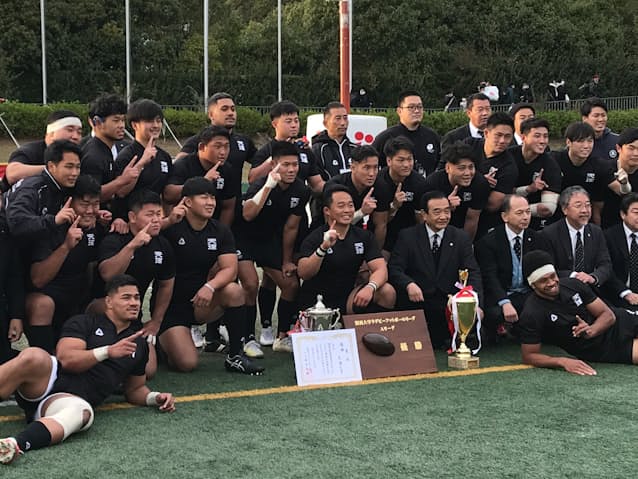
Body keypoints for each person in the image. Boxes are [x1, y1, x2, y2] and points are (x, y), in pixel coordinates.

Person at [0, 275, 175, 466]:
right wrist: (107, 351)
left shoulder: (139, 344)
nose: (134, 303)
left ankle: (13, 444)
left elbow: (135, 389)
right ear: (109, 302)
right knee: (33, 356)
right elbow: (66, 359)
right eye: (126, 297)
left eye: (137, 297)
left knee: (82, 412)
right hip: (47, 381)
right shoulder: (84, 322)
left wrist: (155, 397)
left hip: (68, 400)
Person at [161, 177, 264, 374]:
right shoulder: (172, 227)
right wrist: (167, 221)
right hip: (171, 308)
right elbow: (146, 233)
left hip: (201, 302)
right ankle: (162, 343)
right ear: (187, 202)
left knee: (234, 290)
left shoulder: (220, 230)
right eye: (204, 197)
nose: (210, 203)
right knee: (187, 364)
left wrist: (210, 286)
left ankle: (235, 356)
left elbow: (230, 269)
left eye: (213, 198)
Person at [246, 101, 324, 346]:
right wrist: (270, 177)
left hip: (287, 235)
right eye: (288, 120)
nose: (293, 124)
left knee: (277, 279)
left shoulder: (302, 171)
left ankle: (280, 332)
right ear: (275, 123)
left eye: (296, 120)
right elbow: (251, 185)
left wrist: (345, 194)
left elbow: (293, 224)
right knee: (279, 283)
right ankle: (266, 331)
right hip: (259, 235)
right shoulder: (267, 154)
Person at [238, 141, 311, 353]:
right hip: (243, 238)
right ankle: (248, 338)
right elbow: (248, 215)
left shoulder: (301, 190)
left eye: (295, 165)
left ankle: (282, 336)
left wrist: (286, 260)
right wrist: (268, 186)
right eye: (285, 165)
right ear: (274, 165)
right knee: (251, 283)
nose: (291, 169)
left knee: (290, 285)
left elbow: (291, 228)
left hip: (270, 240)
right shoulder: (260, 183)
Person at [95, 190, 176, 378]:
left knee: (149, 370)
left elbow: (166, 285)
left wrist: (155, 322)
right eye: (150, 214)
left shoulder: (163, 245)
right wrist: (133, 245)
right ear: (132, 217)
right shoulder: (115, 238)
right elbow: (107, 274)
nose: (156, 220)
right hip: (99, 309)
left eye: (159, 214)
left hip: (131, 316)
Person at [518, 250, 638, 375]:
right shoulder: (531, 313)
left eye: (553, 276)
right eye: (543, 280)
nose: (551, 283)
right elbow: (529, 356)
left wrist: (591, 330)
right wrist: (562, 361)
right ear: (533, 285)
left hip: (621, 322)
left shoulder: (573, 284)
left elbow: (608, 315)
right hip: (601, 348)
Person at [388, 191, 482, 348]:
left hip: (448, 301)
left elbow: (472, 272)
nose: (443, 216)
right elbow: (394, 268)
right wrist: (409, 284)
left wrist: (475, 302)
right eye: (437, 212)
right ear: (424, 215)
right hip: (418, 301)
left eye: (447, 211)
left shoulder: (460, 237)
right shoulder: (408, 236)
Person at [26, 175, 105, 353]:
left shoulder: (97, 227)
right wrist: (66, 247)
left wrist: (117, 222)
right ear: (68, 203)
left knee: (111, 303)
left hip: (79, 302)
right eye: (84, 204)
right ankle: (47, 361)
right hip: (48, 301)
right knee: (42, 304)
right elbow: (38, 280)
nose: (90, 210)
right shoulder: (51, 227)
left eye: (96, 204)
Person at [297, 185, 395, 314]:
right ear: (327, 210)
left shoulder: (364, 236)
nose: (347, 210)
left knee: (387, 291)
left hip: (350, 296)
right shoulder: (315, 237)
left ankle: (371, 327)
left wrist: (370, 287)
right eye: (341, 206)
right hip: (318, 301)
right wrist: (323, 248)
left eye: (350, 205)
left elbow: (380, 268)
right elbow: (304, 273)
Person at [475, 195, 539, 339]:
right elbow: (489, 277)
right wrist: (504, 302)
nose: (525, 217)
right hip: (501, 294)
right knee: (495, 313)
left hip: (527, 293)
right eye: (519, 213)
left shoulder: (536, 238)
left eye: (528, 212)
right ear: (505, 216)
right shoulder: (488, 242)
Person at [1, 140, 81, 248]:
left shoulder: (63, 186)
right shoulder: (32, 188)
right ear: (51, 166)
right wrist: (54, 220)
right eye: (69, 167)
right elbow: (18, 223)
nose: (75, 173)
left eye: (78, 167)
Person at [538, 186, 612, 292]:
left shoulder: (596, 232)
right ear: (564, 209)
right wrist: (574, 276)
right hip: (561, 289)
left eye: (588, 205)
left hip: (590, 289)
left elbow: (605, 264)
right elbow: (548, 268)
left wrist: (593, 277)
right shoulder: (549, 234)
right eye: (578, 206)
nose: (584, 210)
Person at [111, 99, 173, 219]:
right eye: (150, 121)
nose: (156, 125)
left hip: (154, 221)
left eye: (158, 121)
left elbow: (165, 196)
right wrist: (142, 162)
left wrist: (168, 219)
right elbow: (121, 192)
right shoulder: (127, 155)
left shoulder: (164, 156)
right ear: (135, 125)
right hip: (128, 221)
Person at [164, 126, 236, 225]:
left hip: (211, 226)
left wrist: (223, 231)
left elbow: (228, 207)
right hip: (182, 223)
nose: (223, 152)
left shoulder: (227, 169)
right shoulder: (184, 165)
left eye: (226, 146)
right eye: (217, 146)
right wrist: (203, 181)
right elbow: (168, 195)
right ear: (202, 147)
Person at [324, 145, 391, 247]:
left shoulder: (381, 187)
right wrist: (362, 212)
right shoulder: (335, 187)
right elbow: (334, 225)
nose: (372, 173)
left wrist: (375, 253)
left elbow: (381, 225)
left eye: (375, 167)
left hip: (358, 231)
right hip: (326, 233)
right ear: (353, 167)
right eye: (366, 168)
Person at [551, 122, 616, 225]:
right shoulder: (554, 160)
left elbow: (620, 190)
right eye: (581, 141)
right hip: (555, 217)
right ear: (568, 142)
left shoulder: (598, 165)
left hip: (584, 218)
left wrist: (624, 184)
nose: (586, 146)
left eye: (590, 141)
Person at [424, 141, 489, 241]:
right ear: (448, 168)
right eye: (461, 168)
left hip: (462, 229)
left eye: (471, 167)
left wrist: (465, 245)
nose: (467, 173)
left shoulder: (480, 183)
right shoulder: (433, 183)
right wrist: (445, 207)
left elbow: (472, 219)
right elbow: (425, 218)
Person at [373, 136, 428, 252]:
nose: (406, 165)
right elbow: (380, 223)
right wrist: (394, 206)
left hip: (409, 236)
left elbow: (421, 221)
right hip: (384, 234)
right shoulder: (378, 181)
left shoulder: (419, 183)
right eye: (401, 160)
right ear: (389, 161)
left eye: (409, 159)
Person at [80, 93, 131, 216]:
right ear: (97, 122)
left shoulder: (106, 149)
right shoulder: (93, 155)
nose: (121, 126)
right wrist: (122, 181)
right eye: (116, 120)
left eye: (123, 120)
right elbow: (90, 196)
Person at [468, 112, 518, 236]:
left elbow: (492, 205)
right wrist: (479, 179)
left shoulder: (509, 167)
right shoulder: (469, 145)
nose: (502, 141)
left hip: (484, 221)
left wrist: (476, 185)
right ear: (486, 133)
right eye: (498, 135)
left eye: (507, 137)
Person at [4, 110, 82, 188]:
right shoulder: (30, 150)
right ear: (52, 133)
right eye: (70, 130)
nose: (75, 136)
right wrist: (54, 169)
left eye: (79, 132)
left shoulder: (79, 153)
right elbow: (12, 174)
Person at [372, 90, 441, 176]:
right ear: (399, 111)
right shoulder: (386, 137)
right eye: (411, 107)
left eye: (419, 107)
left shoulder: (432, 136)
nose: (416, 111)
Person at [510, 118, 561, 230]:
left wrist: (516, 211)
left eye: (545, 136)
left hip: (534, 222)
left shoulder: (550, 165)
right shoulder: (509, 156)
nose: (542, 141)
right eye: (537, 136)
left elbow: (548, 209)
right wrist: (528, 189)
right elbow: (501, 195)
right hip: (503, 219)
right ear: (523, 137)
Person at [602, 193, 638, 310]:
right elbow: (606, 270)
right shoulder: (608, 236)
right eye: (636, 212)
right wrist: (626, 293)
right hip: (618, 296)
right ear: (623, 214)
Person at [601, 128, 638, 228]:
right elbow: (597, 206)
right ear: (618, 148)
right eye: (631, 148)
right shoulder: (606, 169)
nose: (636, 153)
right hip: (608, 227)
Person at [311, 101, 358, 179]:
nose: (343, 123)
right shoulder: (318, 150)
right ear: (325, 123)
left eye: (345, 118)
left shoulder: (355, 149)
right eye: (338, 118)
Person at [580, 97, 619, 163]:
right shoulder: (576, 143)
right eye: (596, 116)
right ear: (584, 118)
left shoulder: (618, 141)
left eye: (603, 115)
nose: (601, 119)